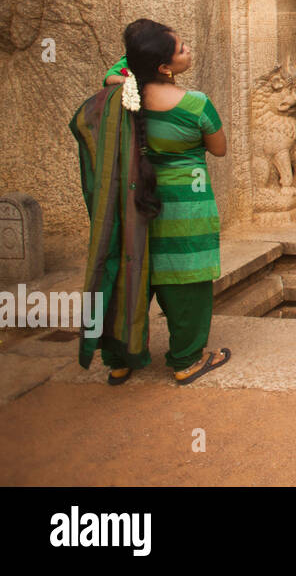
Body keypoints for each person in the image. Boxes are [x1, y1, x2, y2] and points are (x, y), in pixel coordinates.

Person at [70, 19, 231, 386]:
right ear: (163, 66)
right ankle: (186, 359)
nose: (188, 49)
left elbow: (115, 71)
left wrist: (124, 76)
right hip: (185, 204)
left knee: (131, 271)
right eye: (181, 48)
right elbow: (219, 150)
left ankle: (120, 360)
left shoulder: (120, 96)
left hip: (130, 205)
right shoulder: (195, 104)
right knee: (186, 278)